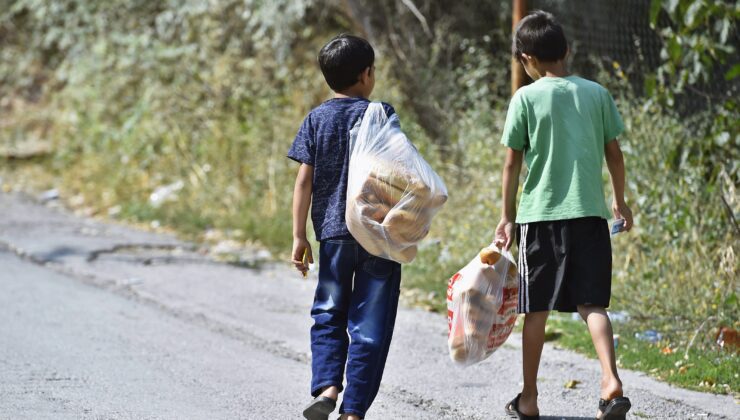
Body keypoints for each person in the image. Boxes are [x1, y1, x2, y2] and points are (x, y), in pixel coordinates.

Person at [494, 11, 633, 420]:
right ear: (567, 52)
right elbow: (615, 155)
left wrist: (506, 216)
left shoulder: (525, 98)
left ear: (526, 59)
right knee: (593, 305)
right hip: (589, 215)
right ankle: (611, 380)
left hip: (539, 219)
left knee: (535, 310)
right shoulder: (596, 93)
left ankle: (530, 398)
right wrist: (619, 201)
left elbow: (510, 166)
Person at [288, 34, 401, 420]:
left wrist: (299, 235)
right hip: (377, 234)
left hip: (334, 234)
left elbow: (304, 180)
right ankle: (353, 411)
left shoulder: (316, 118)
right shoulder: (380, 114)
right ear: (366, 74)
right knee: (371, 324)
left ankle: (327, 388)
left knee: (328, 312)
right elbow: (401, 171)